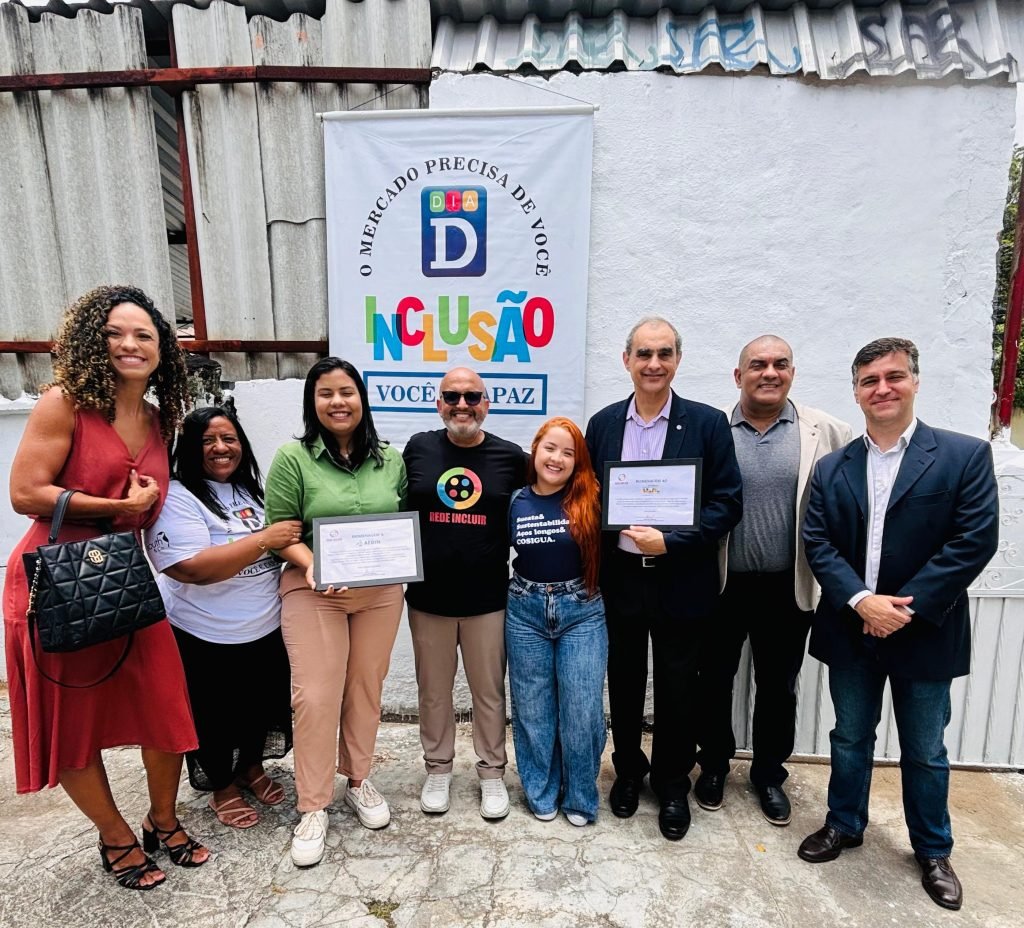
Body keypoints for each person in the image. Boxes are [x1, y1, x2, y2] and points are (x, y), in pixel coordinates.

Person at [4, 284, 208, 890]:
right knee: (72, 720)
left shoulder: (156, 416)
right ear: (94, 342)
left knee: (165, 705)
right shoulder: (63, 403)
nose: (130, 344)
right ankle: (116, 838)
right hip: (55, 580)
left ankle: (162, 820)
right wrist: (115, 502)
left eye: (144, 334)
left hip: (124, 578)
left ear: (162, 350)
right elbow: (25, 493)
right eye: (116, 333)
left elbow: (150, 506)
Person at [798, 337, 999, 912]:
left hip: (926, 630)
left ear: (914, 381)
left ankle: (933, 851)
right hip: (851, 626)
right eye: (869, 381)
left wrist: (899, 610)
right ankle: (845, 825)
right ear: (856, 392)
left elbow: (973, 542)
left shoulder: (962, 456)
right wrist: (862, 601)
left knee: (926, 749)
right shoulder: (834, 467)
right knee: (850, 735)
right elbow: (817, 540)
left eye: (894, 377)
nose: (882, 389)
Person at [585, 317, 742, 841]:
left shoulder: (707, 422)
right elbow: (589, 498)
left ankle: (673, 783)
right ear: (626, 360)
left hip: (681, 578)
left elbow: (727, 503)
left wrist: (671, 541)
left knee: (679, 688)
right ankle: (629, 772)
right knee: (625, 683)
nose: (654, 364)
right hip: (622, 578)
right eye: (644, 354)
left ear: (678, 360)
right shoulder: (604, 423)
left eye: (665, 353)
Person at [695, 336, 852, 825]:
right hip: (721, 584)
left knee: (779, 685)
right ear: (737, 375)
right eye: (757, 364)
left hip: (789, 585)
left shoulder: (826, 431)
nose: (769, 372)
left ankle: (767, 774)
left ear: (792, 372)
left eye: (780, 364)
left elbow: (851, 500)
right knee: (713, 682)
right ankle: (715, 767)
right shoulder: (712, 429)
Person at [264, 358, 407, 868]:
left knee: (365, 687)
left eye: (347, 392)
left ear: (362, 399)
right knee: (316, 696)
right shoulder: (292, 457)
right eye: (326, 394)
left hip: (380, 593)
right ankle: (313, 805)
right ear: (313, 403)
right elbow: (281, 531)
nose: (338, 402)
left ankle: (359, 780)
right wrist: (314, 564)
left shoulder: (389, 459)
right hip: (312, 591)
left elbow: (398, 525)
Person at [146, 406, 303, 829]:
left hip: (265, 627)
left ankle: (251, 769)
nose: (220, 448)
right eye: (208, 441)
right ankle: (222, 786)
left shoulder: (251, 489)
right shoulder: (177, 496)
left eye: (229, 439)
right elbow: (190, 568)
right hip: (204, 633)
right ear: (190, 450)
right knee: (213, 716)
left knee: (259, 707)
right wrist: (264, 540)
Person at [403, 367, 527, 820]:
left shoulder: (511, 457)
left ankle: (492, 773)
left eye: (472, 396)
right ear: (438, 404)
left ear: (486, 404)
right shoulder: (418, 449)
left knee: (489, 692)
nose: (462, 404)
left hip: (488, 601)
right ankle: (438, 768)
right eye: (452, 396)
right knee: (433, 691)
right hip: (428, 599)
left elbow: (552, 493)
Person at [506, 417, 607, 826]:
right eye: (551, 448)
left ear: (577, 461)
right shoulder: (515, 500)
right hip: (524, 609)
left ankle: (581, 796)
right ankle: (541, 790)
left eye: (569, 452)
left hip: (580, 609)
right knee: (532, 709)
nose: (557, 458)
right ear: (535, 449)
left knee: (582, 709)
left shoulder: (592, 498)